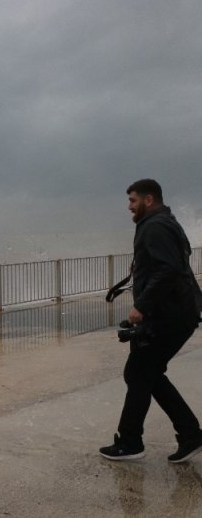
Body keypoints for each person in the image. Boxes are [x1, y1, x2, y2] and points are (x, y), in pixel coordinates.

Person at [100, 179, 202, 462]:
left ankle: (131, 442)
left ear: (148, 200)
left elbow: (169, 270)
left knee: (139, 372)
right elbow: (171, 263)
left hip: (170, 315)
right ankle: (189, 434)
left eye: (133, 201)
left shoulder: (155, 226)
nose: (129, 207)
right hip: (176, 312)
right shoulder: (164, 221)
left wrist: (141, 307)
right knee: (145, 373)